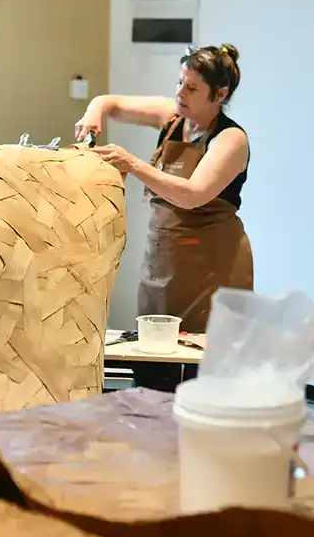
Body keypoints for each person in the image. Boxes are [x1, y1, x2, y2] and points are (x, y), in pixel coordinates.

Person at [76, 44, 253, 336]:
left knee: (200, 353)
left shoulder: (230, 139)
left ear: (220, 95)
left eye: (192, 88)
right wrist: (94, 113)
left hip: (212, 265)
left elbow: (191, 195)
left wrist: (132, 164)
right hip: (164, 258)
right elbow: (111, 105)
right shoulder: (173, 117)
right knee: (154, 347)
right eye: (179, 82)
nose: (180, 93)